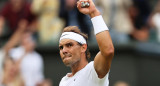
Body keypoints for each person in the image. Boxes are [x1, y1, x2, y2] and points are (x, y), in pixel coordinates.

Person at [59, 0, 114, 86]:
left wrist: (94, 13)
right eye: (61, 47)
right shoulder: (63, 81)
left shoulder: (93, 71)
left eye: (69, 45)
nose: (64, 50)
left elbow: (108, 51)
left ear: (83, 47)